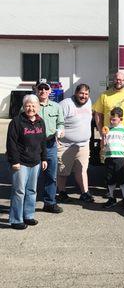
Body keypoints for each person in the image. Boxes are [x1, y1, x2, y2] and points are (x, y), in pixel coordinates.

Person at [6, 94, 47, 229]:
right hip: (21, 162)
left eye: (33, 105)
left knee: (31, 190)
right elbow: (11, 144)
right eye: (28, 105)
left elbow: (43, 142)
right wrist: (15, 161)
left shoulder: (41, 122)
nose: (31, 108)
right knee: (19, 191)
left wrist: (44, 158)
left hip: (35, 161)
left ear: (38, 107)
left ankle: (28, 215)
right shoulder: (16, 122)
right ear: (23, 107)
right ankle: (16, 219)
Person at [56, 84, 94, 203]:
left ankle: (84, 193)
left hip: (83, 144)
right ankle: (61, 192)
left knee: (82, 170)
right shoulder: (65, 104)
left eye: (86, 94)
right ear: (76, 93)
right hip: (65, 144)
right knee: (63, 171)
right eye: (81, 93)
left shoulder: (89, 102)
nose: (84, 96)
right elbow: (57, 121)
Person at [35, 78, 65, 214]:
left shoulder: (56, 106)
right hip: (33, 145)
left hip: (50, 143)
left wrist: (60, 130)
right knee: (32, 175)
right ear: (35, 90)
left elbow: (61, 123)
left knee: (51, 175)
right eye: (40, 88)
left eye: (46, 88)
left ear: (50, 91)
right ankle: (29, 203)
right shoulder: (29, 105)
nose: (43, 91)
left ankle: (49, 202)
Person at [93, 71, 124, 138]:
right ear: (113, 80)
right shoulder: (104, 95)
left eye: (122, 80)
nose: (119, 81)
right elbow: (98, 114)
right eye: (117, 79)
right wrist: (101, 131)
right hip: (108, 134)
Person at [101, 107, 124, 209]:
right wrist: (104, 137)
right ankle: (111, 198)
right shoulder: (107, 129)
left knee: (122, 179)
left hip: (120, 158)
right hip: (109, 157)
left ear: (121, 119)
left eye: (114, 119)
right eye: (111, 119)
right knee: (110, 179)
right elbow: (103, 145)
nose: (111, 121)